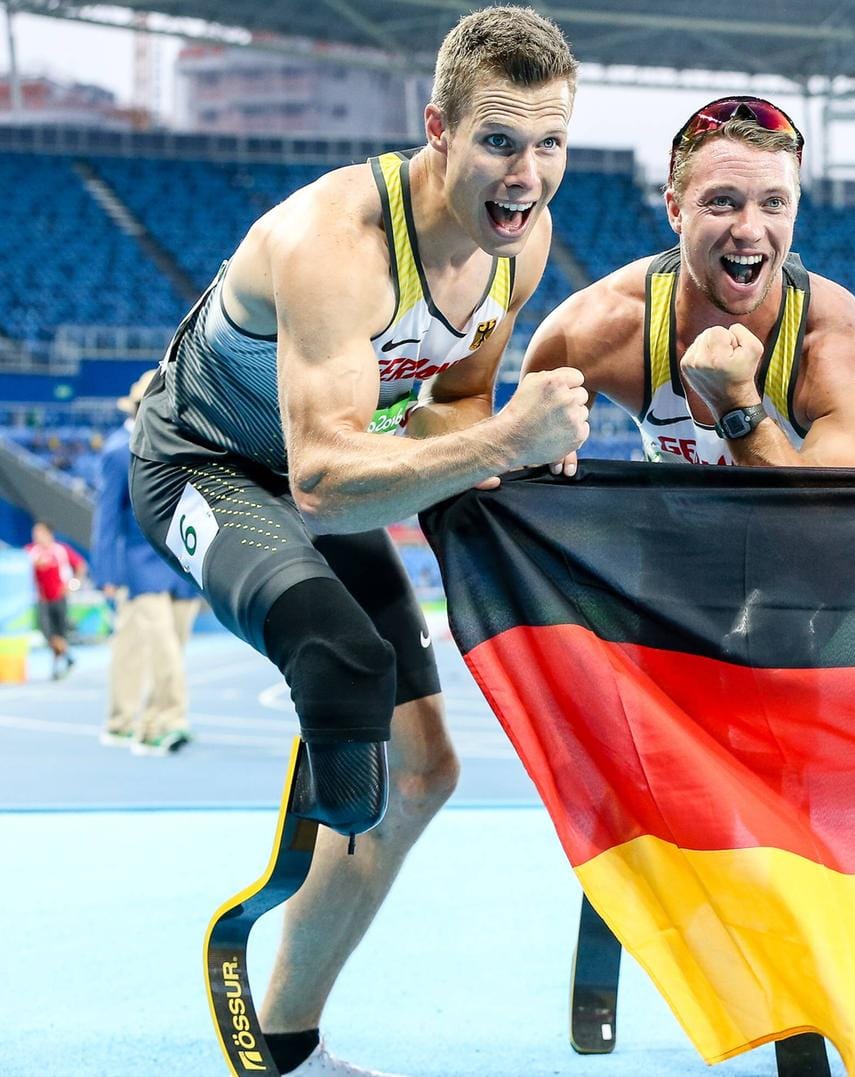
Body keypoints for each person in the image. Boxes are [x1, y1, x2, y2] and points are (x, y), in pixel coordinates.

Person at [126, 8, 586, 1075]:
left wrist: (513, 452)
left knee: (425, 773)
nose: (529, 175)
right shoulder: (336, 244)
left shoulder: (520, 241)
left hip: (330, 457)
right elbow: (325, 485)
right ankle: (247, 935)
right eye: (501, 141)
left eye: (552, 142)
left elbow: (457, 408)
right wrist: (509, 436)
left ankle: (288, 1041)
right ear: (438, 128)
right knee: (342, 659)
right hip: (203, 465)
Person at [524, 95, 855, 468]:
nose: (750, 230)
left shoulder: (849, 351)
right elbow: (520, 482)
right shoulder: (595, 326)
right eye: (723, 201)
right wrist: (540, 456)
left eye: (774, 203)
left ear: (795, 211)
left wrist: (737, 407)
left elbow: (835, 519)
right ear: (675, 210)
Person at [92, 370, 201, 754]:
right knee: (160, 646)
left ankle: (132, 722)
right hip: (140, 563)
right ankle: (167, 720)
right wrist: (105, 571)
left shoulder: (182, 445)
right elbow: (107, 516)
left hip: (181, 562)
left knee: (163, 644)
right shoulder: (118, 450)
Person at [25, 521, 85, 680]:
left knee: (59, 633)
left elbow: (80, 565)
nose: (36, 536)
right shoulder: (32, 551)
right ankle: (69, 656)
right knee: (48, 634)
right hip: (43, 600)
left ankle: (57, 667)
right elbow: (25, 563)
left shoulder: (61, 550)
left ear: (48, 533)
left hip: (59, 597)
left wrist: (73, 584)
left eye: (39, 532)